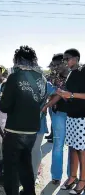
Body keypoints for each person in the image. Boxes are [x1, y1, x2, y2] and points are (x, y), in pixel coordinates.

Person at [0, 46, 47, 195]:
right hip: (32, 129)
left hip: (15, 129)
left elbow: (4, 106)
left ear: (17, 60)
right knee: (25, 164)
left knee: (11, 170)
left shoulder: (14, 77)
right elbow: (40, 101)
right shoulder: (41, 78)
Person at [53, 48, 85, 194]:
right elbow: (71, 96)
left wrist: (70, 94)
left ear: (77, 58)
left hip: (81, 117)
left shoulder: (83, 70)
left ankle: (83, 180)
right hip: (71, 116)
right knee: (72, 148)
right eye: (64, 59)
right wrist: (63, 95)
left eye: (68, 58)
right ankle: (72, 178)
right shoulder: (71, 74)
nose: (65, 61)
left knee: (81, 150)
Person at [42, 53, 71, 184]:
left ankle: (72, 176)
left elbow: (60, 94)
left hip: (74, 115)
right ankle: (56, 176)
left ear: (65, 62)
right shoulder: (51, 77)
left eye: (57, 64)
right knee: (58, 145)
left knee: (73, 147)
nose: (55, 67)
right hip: (58, 113)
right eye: (53, 65)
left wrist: (58, 94)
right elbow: (52, 93)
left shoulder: (75, 75)